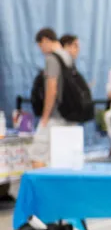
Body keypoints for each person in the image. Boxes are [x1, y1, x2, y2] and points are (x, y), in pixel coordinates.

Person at [30, 28, 76, 169]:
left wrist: (45, 116)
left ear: (45, 40)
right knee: (62, 158)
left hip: (55, 116)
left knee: (36, 154)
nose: (41, 50)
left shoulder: (52, 58)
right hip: (70, 116)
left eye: (40, 45)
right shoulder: (68, 58)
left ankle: (40, 191)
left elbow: (52, 88)